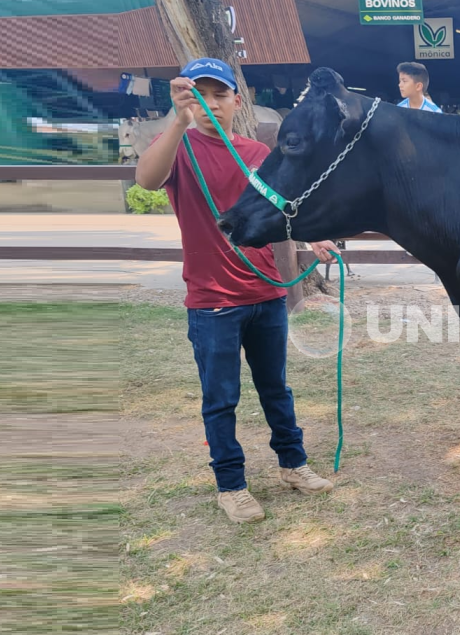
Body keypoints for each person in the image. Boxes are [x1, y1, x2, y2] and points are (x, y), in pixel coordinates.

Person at [134, 57, 340, 524]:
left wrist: (314, 237)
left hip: (264, 295)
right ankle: (231, 485)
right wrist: (177, 120)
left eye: (219, 95)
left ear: (235, 100)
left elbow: (281, 211)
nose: (210, 104)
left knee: (276, 389)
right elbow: (145, 181)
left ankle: (294, 465)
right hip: (212, 303)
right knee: (220, 398)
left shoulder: (255, 154)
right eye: (199, 96)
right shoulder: (179, 150)